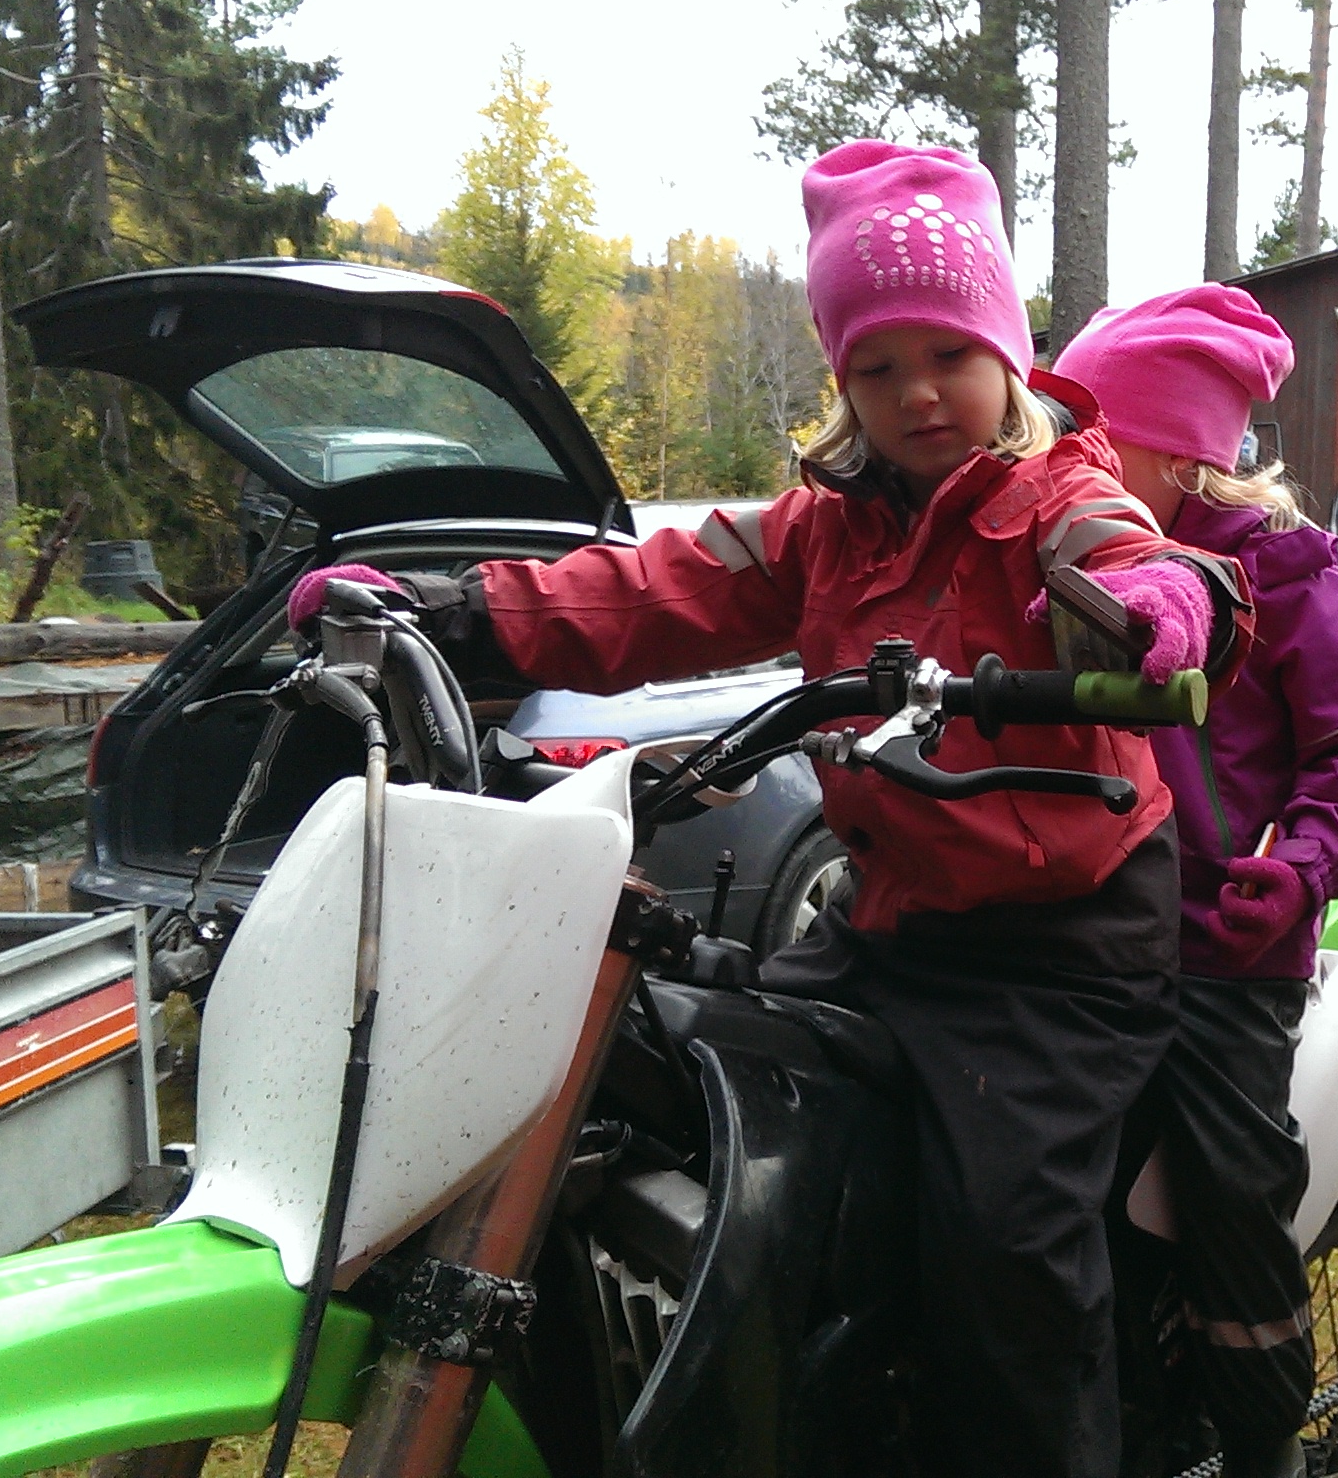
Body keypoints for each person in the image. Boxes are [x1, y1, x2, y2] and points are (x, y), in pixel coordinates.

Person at [293, 141, 1248, 1478]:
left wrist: (1163, 605)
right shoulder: (823, 529)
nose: (919, 392)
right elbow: (651, 588)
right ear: (843, 382)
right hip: (889, 927)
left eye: (949, 354)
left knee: (1005, 1254)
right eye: (877, 366)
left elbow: (1138, 560)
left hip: (1059, 952)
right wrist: (449, 616)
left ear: (1008, 354)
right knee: (700, 1112)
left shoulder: (1058, 500)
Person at [1052, 286, 1338, 1478]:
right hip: (1081, 935)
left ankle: (1263, 1432)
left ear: (1179, 457)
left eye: (1095, 439)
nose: (1069, 461)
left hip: (1221, 946)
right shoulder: (1074, 561)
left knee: (1229, 1177)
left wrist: (1301, 864)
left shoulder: (1290, 580)